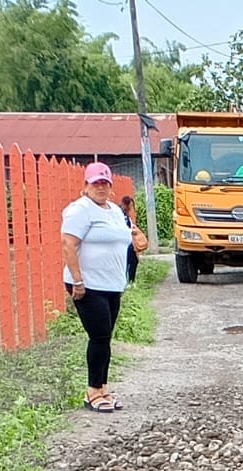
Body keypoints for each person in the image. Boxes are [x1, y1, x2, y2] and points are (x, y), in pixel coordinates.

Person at [61, 163, 146, 411]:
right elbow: (68, 244)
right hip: (88, 285)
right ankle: (92, 392)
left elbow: (127, 237)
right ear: (86, 185)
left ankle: (103, 389)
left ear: (110, 186)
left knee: (105, 337)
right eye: (96, 183)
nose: (101, 188)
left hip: (111, 284)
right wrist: (77, 281)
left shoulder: (114, 211)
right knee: (98, 336)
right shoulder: (80, 210)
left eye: (104, 183)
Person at [119, 193, 140, 285]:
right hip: (123, 243)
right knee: (126, 262)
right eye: (130, 205)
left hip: (130, 241)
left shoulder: (128, 215)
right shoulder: (119, 214)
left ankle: (132, 280)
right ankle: (126, 281)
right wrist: (130, 231)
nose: (132, 208)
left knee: (134, 261)